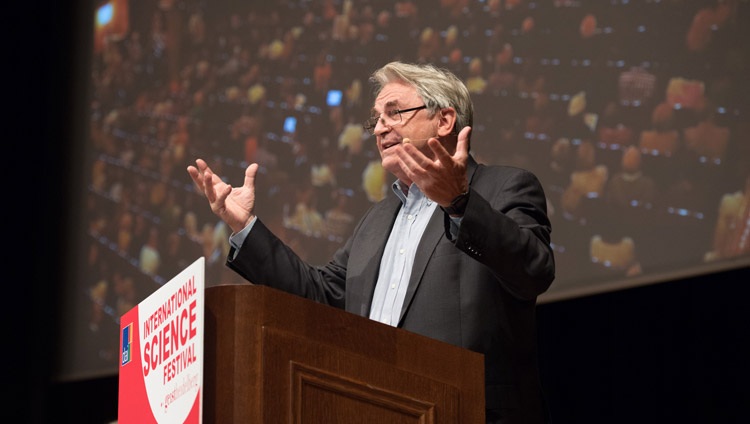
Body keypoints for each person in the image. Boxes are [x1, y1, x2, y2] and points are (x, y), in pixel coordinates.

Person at [187, 61, 555, 424]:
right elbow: (320, 297)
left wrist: (460, 204)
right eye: (376, 119)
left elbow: (533, 271)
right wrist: (245, 226)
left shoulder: (503, 187)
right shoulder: (375, 220)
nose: (379, 129)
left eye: (394, 113)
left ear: (444, 121)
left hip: (469, 411)